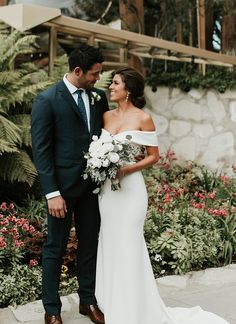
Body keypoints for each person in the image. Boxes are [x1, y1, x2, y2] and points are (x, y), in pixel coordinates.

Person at [94, 67, 230, 324]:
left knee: (129, 243)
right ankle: (114, 302)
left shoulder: (143, 118)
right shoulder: (105, 116)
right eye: (111, 83)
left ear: (128, 90)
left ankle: (137, 307)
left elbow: (153, 156)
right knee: (110, 242)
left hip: (131, 189)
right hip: (108, 192)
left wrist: (126, 169)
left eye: (115, 83)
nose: (110, 87)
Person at [31, 44, 109, 324]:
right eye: (94, 74)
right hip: (61, 191)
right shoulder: (47, 100)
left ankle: (87, 301)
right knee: (55, 248)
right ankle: (51, 309)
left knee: (89, 244)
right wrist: (52, 193)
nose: (98, 79)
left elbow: (102, 138)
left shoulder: (98, 98)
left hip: (92, 189)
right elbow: (41, 150)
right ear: (77, 71)